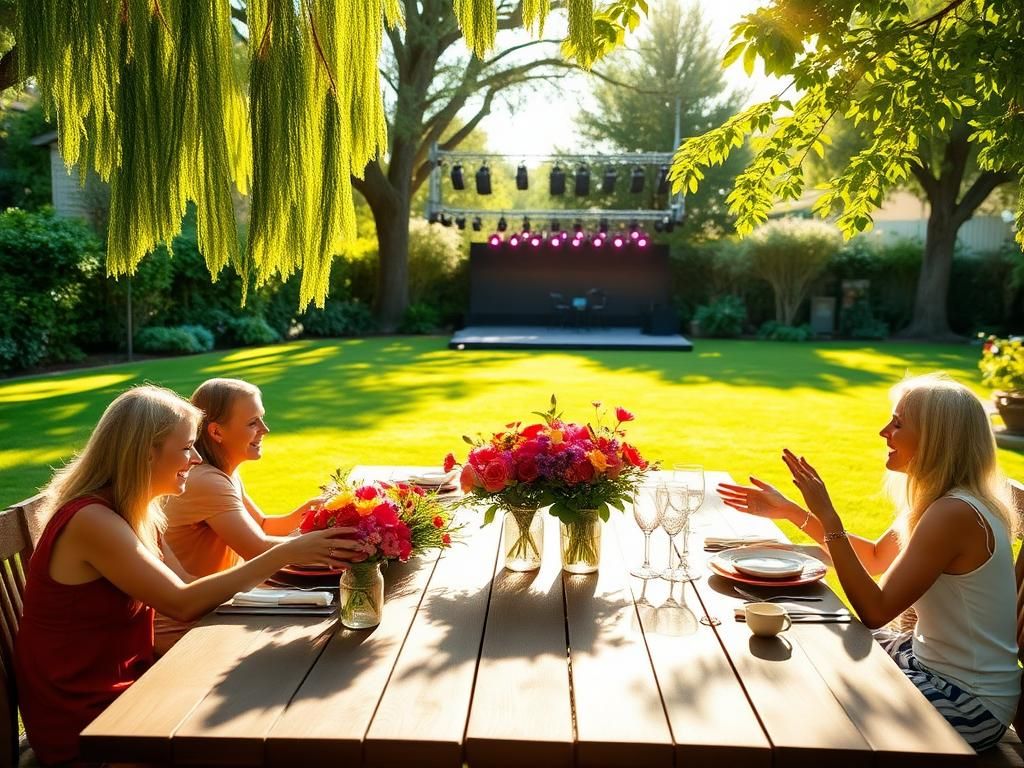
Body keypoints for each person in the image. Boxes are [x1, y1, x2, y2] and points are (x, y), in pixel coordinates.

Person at [14, 385, 361, 766]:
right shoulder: (93, 520)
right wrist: (284, 553)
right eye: (185, 448)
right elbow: (180, 604)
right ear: (145, 452)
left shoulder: (136, 513)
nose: (196, 459)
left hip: (129, 695)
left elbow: (190, 592)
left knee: (268, 706)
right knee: (262, 723)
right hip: (90, 727)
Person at [717, 373, 1020, 752]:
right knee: (811, 648)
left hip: (966, 701)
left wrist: (830, 519)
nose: (883, 432)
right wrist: (794, 513)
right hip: (926, 661)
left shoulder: (953, 512)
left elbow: (875, 610)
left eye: (898, 424)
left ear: (935, 438)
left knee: (812, 690)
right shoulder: (943, 501)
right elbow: (876, 558)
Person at [155, 378, 358, 652]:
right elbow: (257, 549)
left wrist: (309, 509)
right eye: (253, 423)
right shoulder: (207, 481)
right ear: (216, 432)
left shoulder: (224, 473)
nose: (265, 429)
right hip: (190, 628)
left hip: (220, 606)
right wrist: (344, 545)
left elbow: (262, 526)